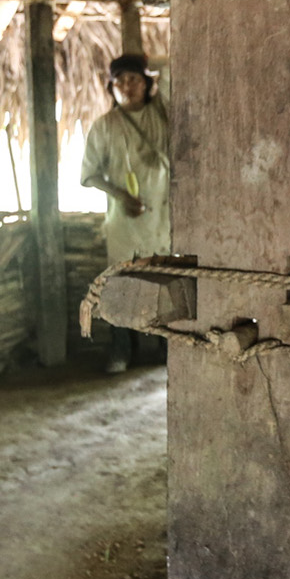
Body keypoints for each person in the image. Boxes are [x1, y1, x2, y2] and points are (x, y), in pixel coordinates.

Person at [80, 53, 170, 372]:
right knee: (120, 285)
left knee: (167, 283)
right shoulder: (105, 126)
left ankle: (167, 350)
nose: (127, 87)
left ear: (148, 84)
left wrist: (154, 63)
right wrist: (120, 196)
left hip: (163, 217)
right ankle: (121, 352)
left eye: (134, 80)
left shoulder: (164, 114)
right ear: (111, 88)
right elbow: (89, 174)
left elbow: (171, 70)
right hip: (124, 221)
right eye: (119, 82)